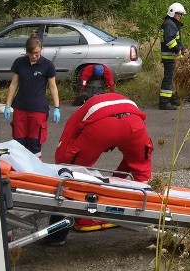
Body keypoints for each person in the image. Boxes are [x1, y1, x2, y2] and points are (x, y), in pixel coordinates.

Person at [45, 92, 153, 242]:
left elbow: (65, 150)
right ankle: (143, 213)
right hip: (134, 125)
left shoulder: (83, 110)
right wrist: (115, 183)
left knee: (71, 174)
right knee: (141, 169)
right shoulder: (122, 99)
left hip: (101, 126)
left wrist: (62, 168)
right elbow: (136, 132)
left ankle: (57, 236)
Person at [3, 33, 60, 157]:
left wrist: (57, 107)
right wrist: (7, 105)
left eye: (37, 54)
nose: (34, 56)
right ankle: (19, 171)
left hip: (38, 109)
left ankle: (34, 171)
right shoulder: (19, 63)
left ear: (41, 50)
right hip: (20, 108)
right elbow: (13, 84)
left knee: (34, 143)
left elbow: (53, 87)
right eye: (31, 53)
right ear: (26, 51)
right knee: (19, 142)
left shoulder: (47, 65)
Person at [159, 2, 186, 110]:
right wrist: (178, 49)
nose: (180, 16)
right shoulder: (170, 24)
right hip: (169, 57)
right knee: (168, 79)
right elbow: (169, 40)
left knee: (171, 79)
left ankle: (169, 99)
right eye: (179, 14)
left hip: (171, 57)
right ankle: (164, 102)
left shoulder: (170, 23)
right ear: (173, 13)